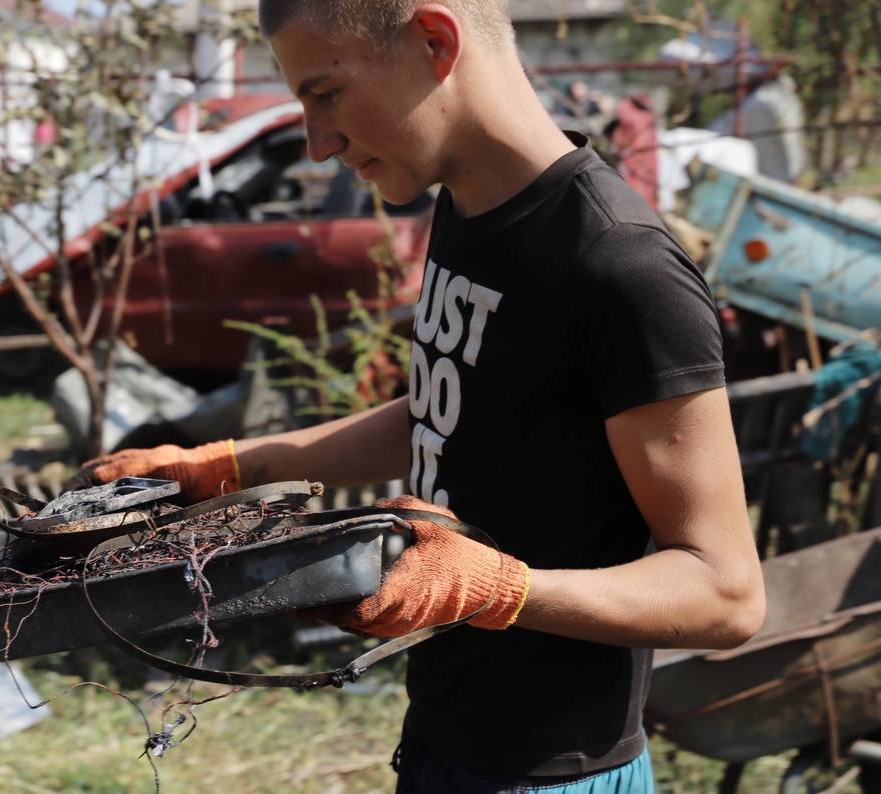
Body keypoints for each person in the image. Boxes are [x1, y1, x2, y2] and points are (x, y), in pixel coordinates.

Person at [73, 2, 765, 791]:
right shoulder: (470, 207)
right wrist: (225, 463)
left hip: (552, 775)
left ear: (435, 42)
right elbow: (449, 407)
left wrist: (500, 589)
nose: (316, 141)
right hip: (446, 736)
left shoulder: (622, 268)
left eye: (326, 93)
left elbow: (726, 593)